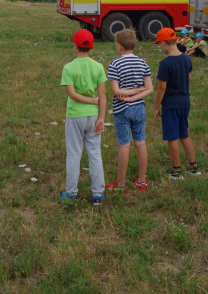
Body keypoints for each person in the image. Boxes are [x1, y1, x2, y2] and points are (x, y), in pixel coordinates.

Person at [60, 30, 107, 205]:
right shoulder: (98, 66)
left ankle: (71, 192)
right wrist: (101, 117)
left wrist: (89, 100)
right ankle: (98, 194)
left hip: (75, 116)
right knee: (95, 153)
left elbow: (72, 94)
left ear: (75, 46)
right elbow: (102, 95)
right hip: (94, 116)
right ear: (91, 47)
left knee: (74, 154)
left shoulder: (69, 67)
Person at [106, 29, 153, 193]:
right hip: (139, 108)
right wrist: (136, 94)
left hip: (122, 109)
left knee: (124, 146)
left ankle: (121, 184)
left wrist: (128, 96)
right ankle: (141, 181)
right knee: (141, 143)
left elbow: (115, 91)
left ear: (119, 46)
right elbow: (149, 88)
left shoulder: (115, 64)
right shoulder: (143, 63)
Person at [153, 28, 201, 179]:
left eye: (159, 45)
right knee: (184, 133)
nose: (160, 48)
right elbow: (189, 79)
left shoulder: (165, 63)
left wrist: (156, 107)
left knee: (172, 137)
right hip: (184, 101)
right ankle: (194, 167)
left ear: (164, 42)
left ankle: (176, 170)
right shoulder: (186, 58)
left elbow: (162, 87)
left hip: (171, 104)